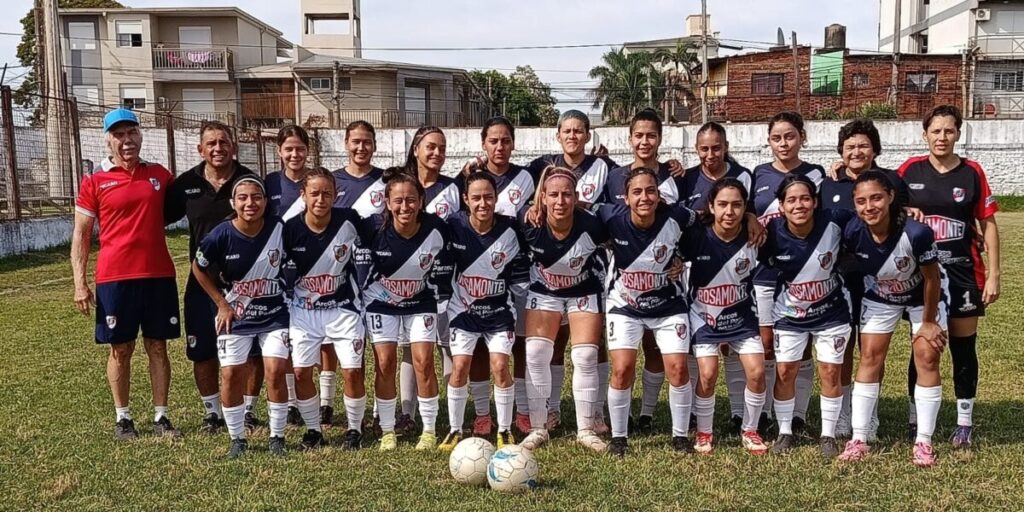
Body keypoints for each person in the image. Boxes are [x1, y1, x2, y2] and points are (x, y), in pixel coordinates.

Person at [73, 108, 181, 440]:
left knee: (158, 345)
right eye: (118, 135)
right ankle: (124, 418)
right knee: (120, 348)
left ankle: (161, 416)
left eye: (131, 132)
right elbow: (81, 234)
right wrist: (80, 282)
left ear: (140, 135)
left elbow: (190, 203)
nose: (126, 140)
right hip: (115, 278)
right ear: (108, 141)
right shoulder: (95, 181)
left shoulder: (160, 175)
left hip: (158, 274)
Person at [898, 105, 1000, 449]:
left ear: (958, 133)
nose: (942, 137)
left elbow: (988, 224)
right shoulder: (910, 169)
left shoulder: (971, 172)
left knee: (962, 347)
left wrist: (995, 274)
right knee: (922, 347)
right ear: (924, 134)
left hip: (962, 272)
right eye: (935, 131)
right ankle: (915, 419)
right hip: (921, 277)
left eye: (949, 131)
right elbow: (880, 196)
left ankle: (964, 422)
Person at [837, 171, 948, 467]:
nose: (868, 206)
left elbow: (932, 279)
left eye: (875, 198)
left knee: (927, 355)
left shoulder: (916, 233)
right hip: (882, 295)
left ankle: (923, 441)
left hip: (923, 297)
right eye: (861, 201)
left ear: (890, 197)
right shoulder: (852, 231)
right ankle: (859, 438)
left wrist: (927, 322)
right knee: (870, 356)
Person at [165, 121, 264, 433]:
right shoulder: (186, 185)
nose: (218, 148)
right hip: (201, 281)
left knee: (250, 350)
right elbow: (155, 217)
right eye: (211, 143)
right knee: (203, 349)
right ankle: (212, 413)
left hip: (244, 282)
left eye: (224, 142)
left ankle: (248, 411)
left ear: (233, 146)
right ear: (200, 149)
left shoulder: (250, 182)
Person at [597, 110, 689, 435]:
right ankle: (620, 428)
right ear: (630, 138)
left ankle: (648, 414)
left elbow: (698, 222)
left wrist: (682, 258)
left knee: (657, 351)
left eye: (651, 135)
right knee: (624, 363)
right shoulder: (613, 177)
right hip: (627, 282)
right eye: (639, 135)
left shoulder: (676, 174)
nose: (645, 141)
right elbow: (597, 218)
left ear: (660, 139)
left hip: (666, 283)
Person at [819, 119, 909, 439]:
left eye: (863, 145)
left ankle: (868, 416)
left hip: (878, 279)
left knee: (872, 349)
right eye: (850, 146)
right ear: (841, 152)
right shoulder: (828, 185)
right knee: (843, 346)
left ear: (875, 149)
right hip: (838, 278)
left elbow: (906, 224)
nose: (857, 151)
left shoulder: (892, 182)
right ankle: (843, 413)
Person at [191, 176, 291, 458]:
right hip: (235, 317)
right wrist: (221, 304)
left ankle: (277, 437)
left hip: (274, 314)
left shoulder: (279, 229)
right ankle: (237, 438)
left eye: (256, 197)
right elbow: (198, 268)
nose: (250, 203)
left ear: (265, 201)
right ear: (234, 203)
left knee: (275, 371)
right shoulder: (220, 234)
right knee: (231, 374)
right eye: (243, 198)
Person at [758, 174, 854, 458]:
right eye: (791, 200)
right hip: (789, 314)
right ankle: (785, 431)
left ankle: (827, 434)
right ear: (781, 206)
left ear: (814, 202)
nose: (799, 205)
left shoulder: (836, 220)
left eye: (805, 199)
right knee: (785, 371)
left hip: (831, 312)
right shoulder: (771, 231)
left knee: (830, 371)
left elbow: (872, 219)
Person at [359, 170, 451, 451]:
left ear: (421, 201)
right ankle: (387, 430)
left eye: (411, 200)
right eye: (397, 200)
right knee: (385, 363)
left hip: (420, 302)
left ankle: (429, 430)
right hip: (380, 303)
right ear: (387, 202)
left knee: (423, 361)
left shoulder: (438, 228)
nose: (404, 207)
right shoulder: (372, 227)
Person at [519, 167, 610, 452]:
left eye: (567, 195)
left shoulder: (594, 223)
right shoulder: (529, 223)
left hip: (583, 290)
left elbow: (628, 227)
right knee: (535, 353)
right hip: (545, 291)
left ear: (577, 197)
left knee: (585, 355)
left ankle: (585, 429)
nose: (560, 201)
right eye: (554, 195)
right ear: (542, 197)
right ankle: (538, 427)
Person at [459, 116, 537, 437]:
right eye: (493, 140)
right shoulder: (467, 178)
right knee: (478, 348)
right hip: (475, 281)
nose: (500, 146)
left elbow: (560, 167)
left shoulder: (528, 177)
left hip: (518, 276)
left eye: (506, 140)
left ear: (513, 144)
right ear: (483, 144)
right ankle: (481, 414)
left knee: (516, 345)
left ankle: (521, 410)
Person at [440, 172, 528, 451]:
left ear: (496, 198)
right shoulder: (453, 225)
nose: (482, 203)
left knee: (501, 366)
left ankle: (504, 429)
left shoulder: (511, 229)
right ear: (465, 200)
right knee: (459, 368)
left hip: (499, 312)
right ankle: (455, 429)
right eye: (476, 198)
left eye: (488, 197)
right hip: (462, 311)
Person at [681, 178, 769, 456]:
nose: (729, 211)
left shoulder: (755, 236)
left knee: (756, 371)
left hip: (741, 318)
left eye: (737, 205)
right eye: (722, 204)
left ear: (745, 208)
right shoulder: (697, 235)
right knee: (707, 374)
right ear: (711, 206)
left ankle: (750, 430)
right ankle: (704, 431)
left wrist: (754, 218)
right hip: (703, 317)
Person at [750, 112, 825, 436]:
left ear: (802, 138)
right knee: (768, 346)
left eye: (790, 136)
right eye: (777, 138)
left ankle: (798, 414)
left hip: (804, 275)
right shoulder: (758, 174)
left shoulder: (816, 173)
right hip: (766, 272)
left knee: (802, 345)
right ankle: (766, 412)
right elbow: (749, 212)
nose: (784, 143)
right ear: (769, 142)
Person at [282, 167, 367, 450]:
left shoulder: (350, 220)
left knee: (352, 371)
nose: (321, 199)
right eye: (314, 193)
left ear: (336, 195)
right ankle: (313, 430)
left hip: (343, 310)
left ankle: (354, 430)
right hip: (304, 311)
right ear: (303, 194)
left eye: (327, 193)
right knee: (301, 373)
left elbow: (376, 242)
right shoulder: (290, 229)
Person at [678, 121, 754, 435]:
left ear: (725, 146)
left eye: (716, 147)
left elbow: (752, 210)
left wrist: (749, 216)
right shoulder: (685, 179)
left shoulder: (743, 175)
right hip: (699, 268)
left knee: (736, 348)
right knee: (701, 349)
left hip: (736, 263)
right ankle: (699, 414)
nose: (710, 154)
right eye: (704, 148)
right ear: (696, 150)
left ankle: (740, 413)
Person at [394, 126, 464, 437]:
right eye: (430, 147)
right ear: (415, 150)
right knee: (411, 348)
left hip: (445, 280)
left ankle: (451, 415)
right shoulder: (400, 185)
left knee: (448, 346)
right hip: (408, 282)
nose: (436, 153)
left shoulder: (452, 188)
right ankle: (407, 412)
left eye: (441, 148)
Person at [332, 120, 386, 432]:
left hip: (378, 273)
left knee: (381, 348)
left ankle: (381, 411)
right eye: (355, 141)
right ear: (346, 143)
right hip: (341, 276)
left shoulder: (386, 181)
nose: (361, 147)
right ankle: (342, 409)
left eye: (367, 142)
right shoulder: (333, 182)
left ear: (375, 145)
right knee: (350, 350)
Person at [264, 124, 310, 427]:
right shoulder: (269, 183)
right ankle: (291, 403)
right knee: (286, 338)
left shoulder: (317, 181)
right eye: (288, 149)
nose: (294, 154)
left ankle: (322, 401)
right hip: (276, 269)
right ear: (279, 152)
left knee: (311, 341)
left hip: (311, 267)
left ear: (308, 151)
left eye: (300, 148)